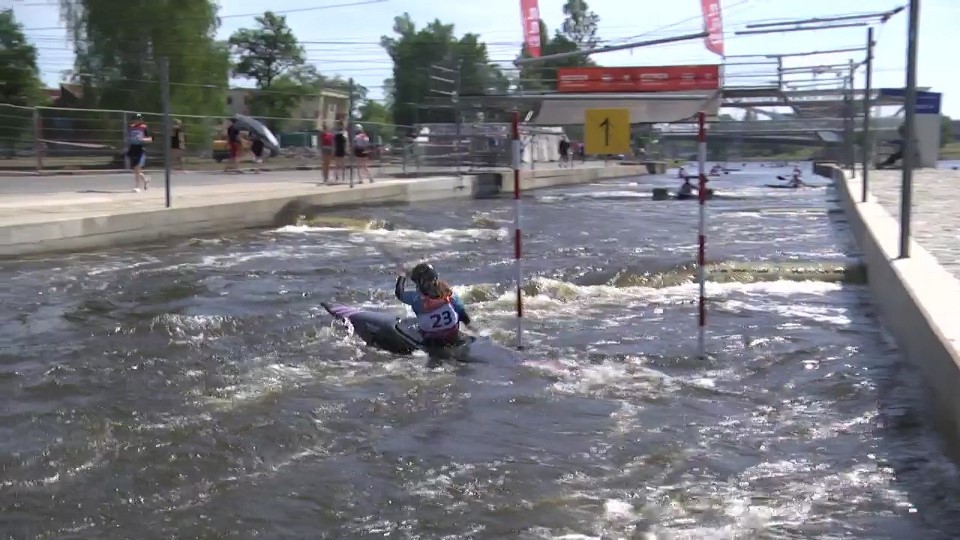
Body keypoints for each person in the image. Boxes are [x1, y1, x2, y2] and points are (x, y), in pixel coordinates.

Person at [395, 262, 472, 349]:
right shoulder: (449, 295)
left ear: (421, 283)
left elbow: (399, 293)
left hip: (432, 342)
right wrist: (470, 328)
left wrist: (402, 275)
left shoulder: (416, 300)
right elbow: (463, 315)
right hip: (453, 338)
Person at [126, 113, 152, 192]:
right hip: (132, 148)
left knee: (137, 167)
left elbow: (150, 139)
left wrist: (142, 139)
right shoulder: (131, 127)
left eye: (140, 119)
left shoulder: (144, 127)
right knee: (135, 170)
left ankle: (137, 186)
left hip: (140, 148)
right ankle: (145, 180)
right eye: (136, 119)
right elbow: (128, 137)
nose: (138, 120)